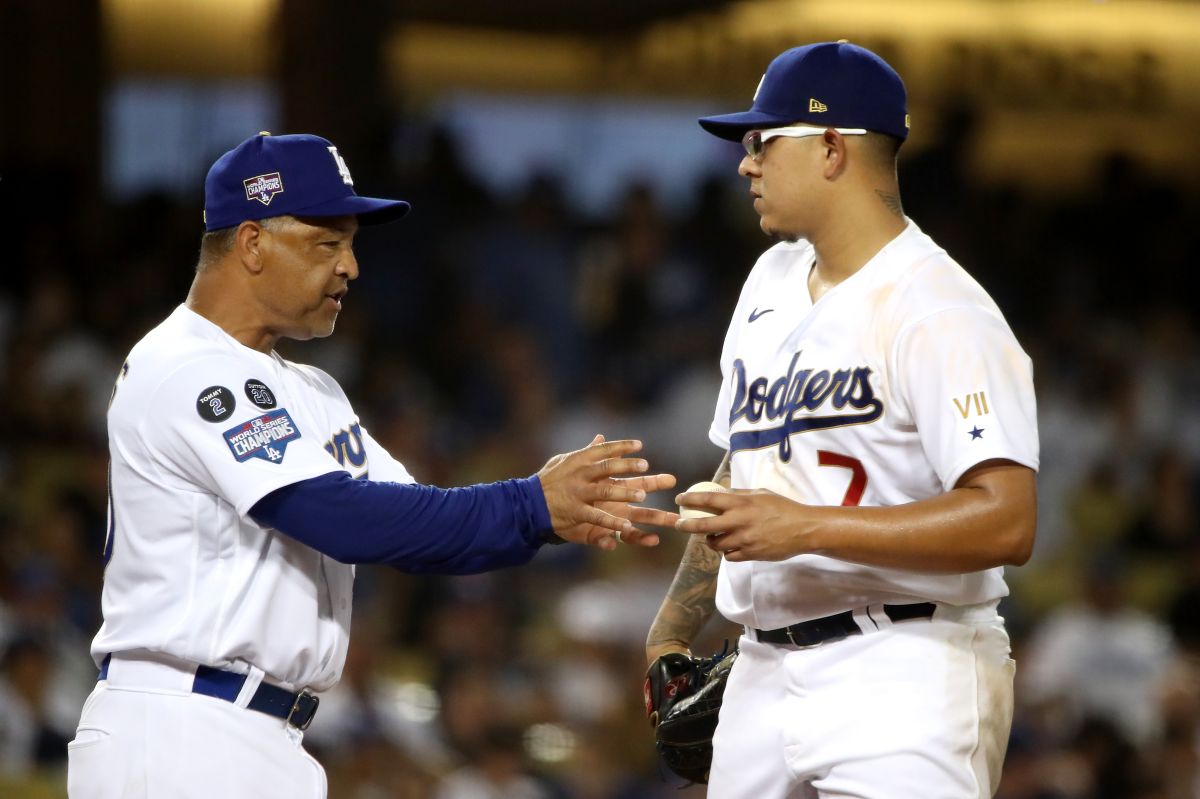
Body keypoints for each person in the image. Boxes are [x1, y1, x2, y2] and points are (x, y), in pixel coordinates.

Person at [67, 132, 677, 799]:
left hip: (263, 734)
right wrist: (531, 503)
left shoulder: (312, 390)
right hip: (179, 726)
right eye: (327, 243)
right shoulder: (185, 364)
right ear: (251, 243)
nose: (351, 267)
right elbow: (339, 516)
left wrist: (556, 518)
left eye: (351, 243)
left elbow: (418, 528)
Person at [645, 42, 1039, 798]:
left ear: (831, 147)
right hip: (761, 664)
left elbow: (1007, 520)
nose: (745, 163)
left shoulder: (940, 308)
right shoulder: (770, 278)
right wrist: (669, 628)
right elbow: (744, 472)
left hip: (906, 663)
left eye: (763, 141)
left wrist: (806, 526)